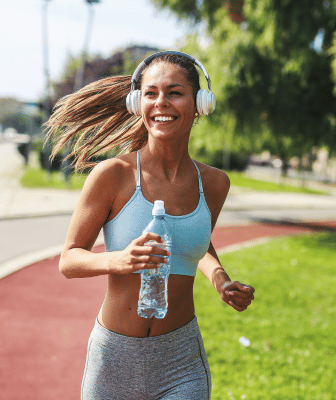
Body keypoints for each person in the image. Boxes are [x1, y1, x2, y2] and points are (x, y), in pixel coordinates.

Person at [45, 51, 255, 400]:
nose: (162, 103)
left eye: (175, 92)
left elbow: (196, 242)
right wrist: (118, 260)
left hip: (180, 360)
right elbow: (69, 260)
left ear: (200, 102)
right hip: (114, 359)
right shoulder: (112, 176)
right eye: (151, 93)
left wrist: (221, 278)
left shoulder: (215, 184)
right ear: (136, 102)